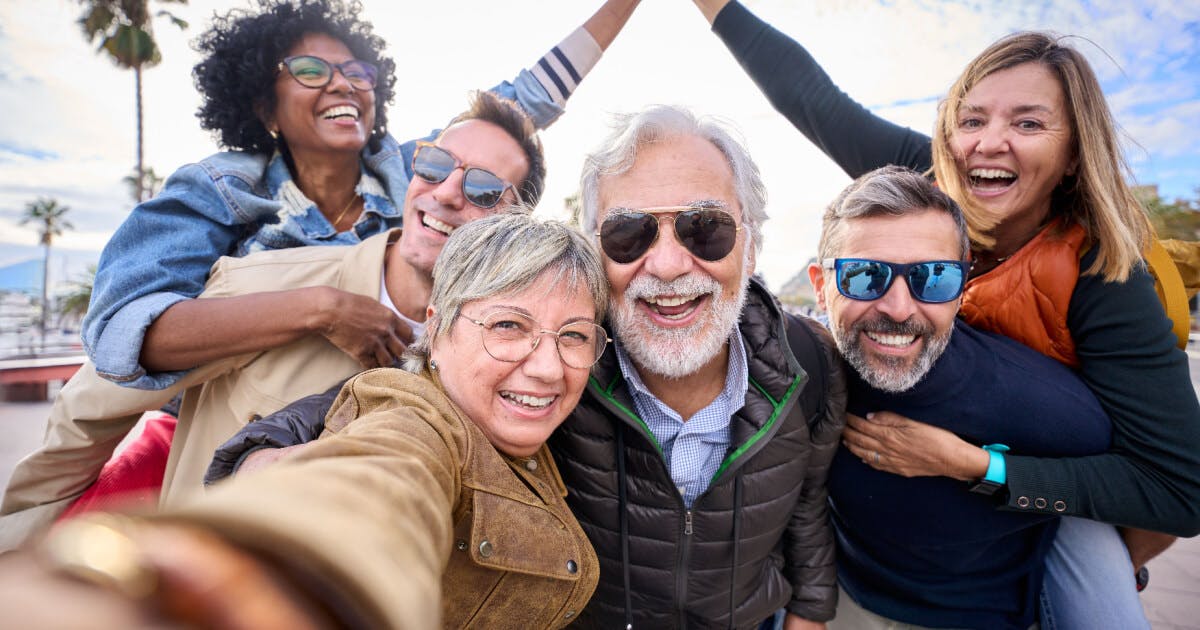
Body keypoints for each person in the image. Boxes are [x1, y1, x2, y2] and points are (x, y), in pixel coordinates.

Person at [212, 104, 846, 629]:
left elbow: (807, 505)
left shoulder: (809, 362)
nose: (670, 265)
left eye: (705, 229)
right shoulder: (557, 372)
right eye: (630, 235)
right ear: (599, 252)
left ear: (752, 243)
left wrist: (809, 617)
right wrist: (282, 477)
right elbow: (405, 414)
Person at [691, 0, 1200, 620]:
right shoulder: (930, 181)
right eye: (972, 119)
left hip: (1053, 496)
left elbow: (1176, 488)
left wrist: (971, 464)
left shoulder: (1106, 275)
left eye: (1029, 124)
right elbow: (811, 99)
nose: (991, 142)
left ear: (1073, 152)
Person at [0, 211, 610, 630]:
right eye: (509, 326)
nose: (549, 368)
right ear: (440, 327)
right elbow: (381, 476)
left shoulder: (519, 428)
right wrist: (258, 574)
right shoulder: (417, 414)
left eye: (575, 337)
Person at [0, 92, 544, 547]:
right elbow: (88, 416)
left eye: (482, 189)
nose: (446, 193)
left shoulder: (517, 355)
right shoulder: (260, 284)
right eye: (433, 165)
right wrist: (18, 545)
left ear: (518, 220)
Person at [85, 0, 640, 391]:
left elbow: (525, 102)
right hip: (239, 418)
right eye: (309, 70)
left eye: (357, 71)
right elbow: (122, 335)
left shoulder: (409, 168)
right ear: (262, 106)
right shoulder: (220, 190)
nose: (343, 84)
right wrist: (323, 309)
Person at [809, 166, 1112, 628]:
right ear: (820, 285)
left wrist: (974, 465)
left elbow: (1146, 493)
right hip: (845, 598)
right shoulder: (798, 373)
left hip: (980, 614)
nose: (898, 307)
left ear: (962, 288)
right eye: (865, 275)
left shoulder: (1042, 404)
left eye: (932, 278)